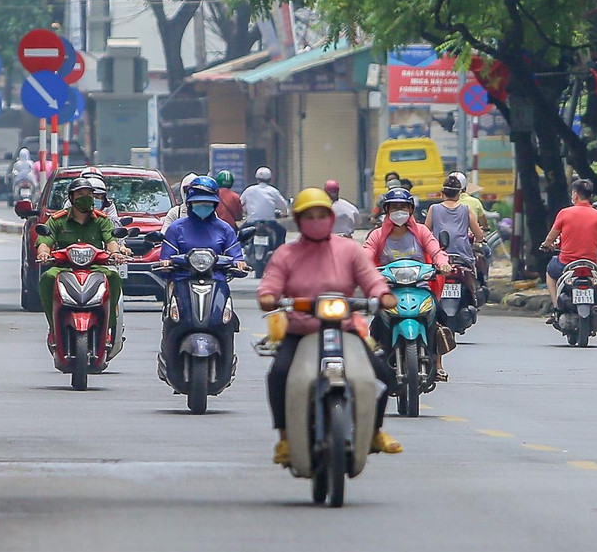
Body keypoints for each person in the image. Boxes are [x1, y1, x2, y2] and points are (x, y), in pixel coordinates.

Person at [258, 188, 401, 466]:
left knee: (382, 375)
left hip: (344, 329)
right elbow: (271, 283)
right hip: (300, 332)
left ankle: (374, 431)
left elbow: (370, 278)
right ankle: (286, 438)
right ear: (298, 221)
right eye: (308, 216)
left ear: (331, 218)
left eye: (321, 215)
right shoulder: (286, 254)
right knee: (278, 376)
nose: (316, 221)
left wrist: (382, 294)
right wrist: (268, 296)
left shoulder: (348, 250)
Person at [156, 177, 247, 380]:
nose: (203, 206)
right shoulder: (176, 228)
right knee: (172, 319)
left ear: (215, 203)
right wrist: (165, 263)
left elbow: (236, 255)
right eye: (198, 203)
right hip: (182, 281)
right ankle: (168, 357)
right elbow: (166, 257)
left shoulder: (224, 229)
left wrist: (238, 263)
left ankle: (226, 360)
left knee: (226, 321)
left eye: (207, 203)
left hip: (217, 283)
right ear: (189, 203)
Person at [364, 187, 453, 380]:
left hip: (420, 287)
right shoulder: (377, 236)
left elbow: (436, 251)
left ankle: (437, 363)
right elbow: (366, 255)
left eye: (403, 207)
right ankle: (376, 359)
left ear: (410, 209)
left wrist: (443, 264)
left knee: (439, 316)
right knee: (377, 324)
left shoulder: (421, 232)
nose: (398, 211)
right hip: (388, 290)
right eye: (394, 207)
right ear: (387, 210)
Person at [35, 177, 129, 349]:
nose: (86, 197)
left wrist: (115, 253)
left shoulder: (102, 219)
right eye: (80, 194)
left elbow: (111, 240)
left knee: (113, 276)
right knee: (47, 277)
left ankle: (108, 326)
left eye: (89, 194)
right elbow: (45, 241)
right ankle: (53, 328)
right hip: (64, 267)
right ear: (71, 198)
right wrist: (43, 254)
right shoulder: (58, 220)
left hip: (95, 267)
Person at [539, 179, 597, 314]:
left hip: (566, 264)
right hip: (590, 264)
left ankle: (556, 308)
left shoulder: (565, 213)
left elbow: (550, 238)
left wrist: (546, 245)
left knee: (550, 273)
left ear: (575, 194)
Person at [425, 173, 485, 303]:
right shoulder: (465, 209)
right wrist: (479, 240)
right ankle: (473, 297)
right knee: (471, 276)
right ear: (459, 194)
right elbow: (479, 235)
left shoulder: (433, 209)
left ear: (442, 193)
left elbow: (425, 233)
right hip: (462, 255)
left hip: (437, 255)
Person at [240, 166, 289, 246]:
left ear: (257, 178)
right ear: (270, 179)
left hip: (251, 222)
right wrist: (284, 213)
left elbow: (240, 204)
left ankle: (239, 254)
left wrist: (243, 211)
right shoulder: (273, 191)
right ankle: (279, 253)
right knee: (281, 231)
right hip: (270, 223)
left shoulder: (249, 190)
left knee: (240, 235)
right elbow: (283, 205)